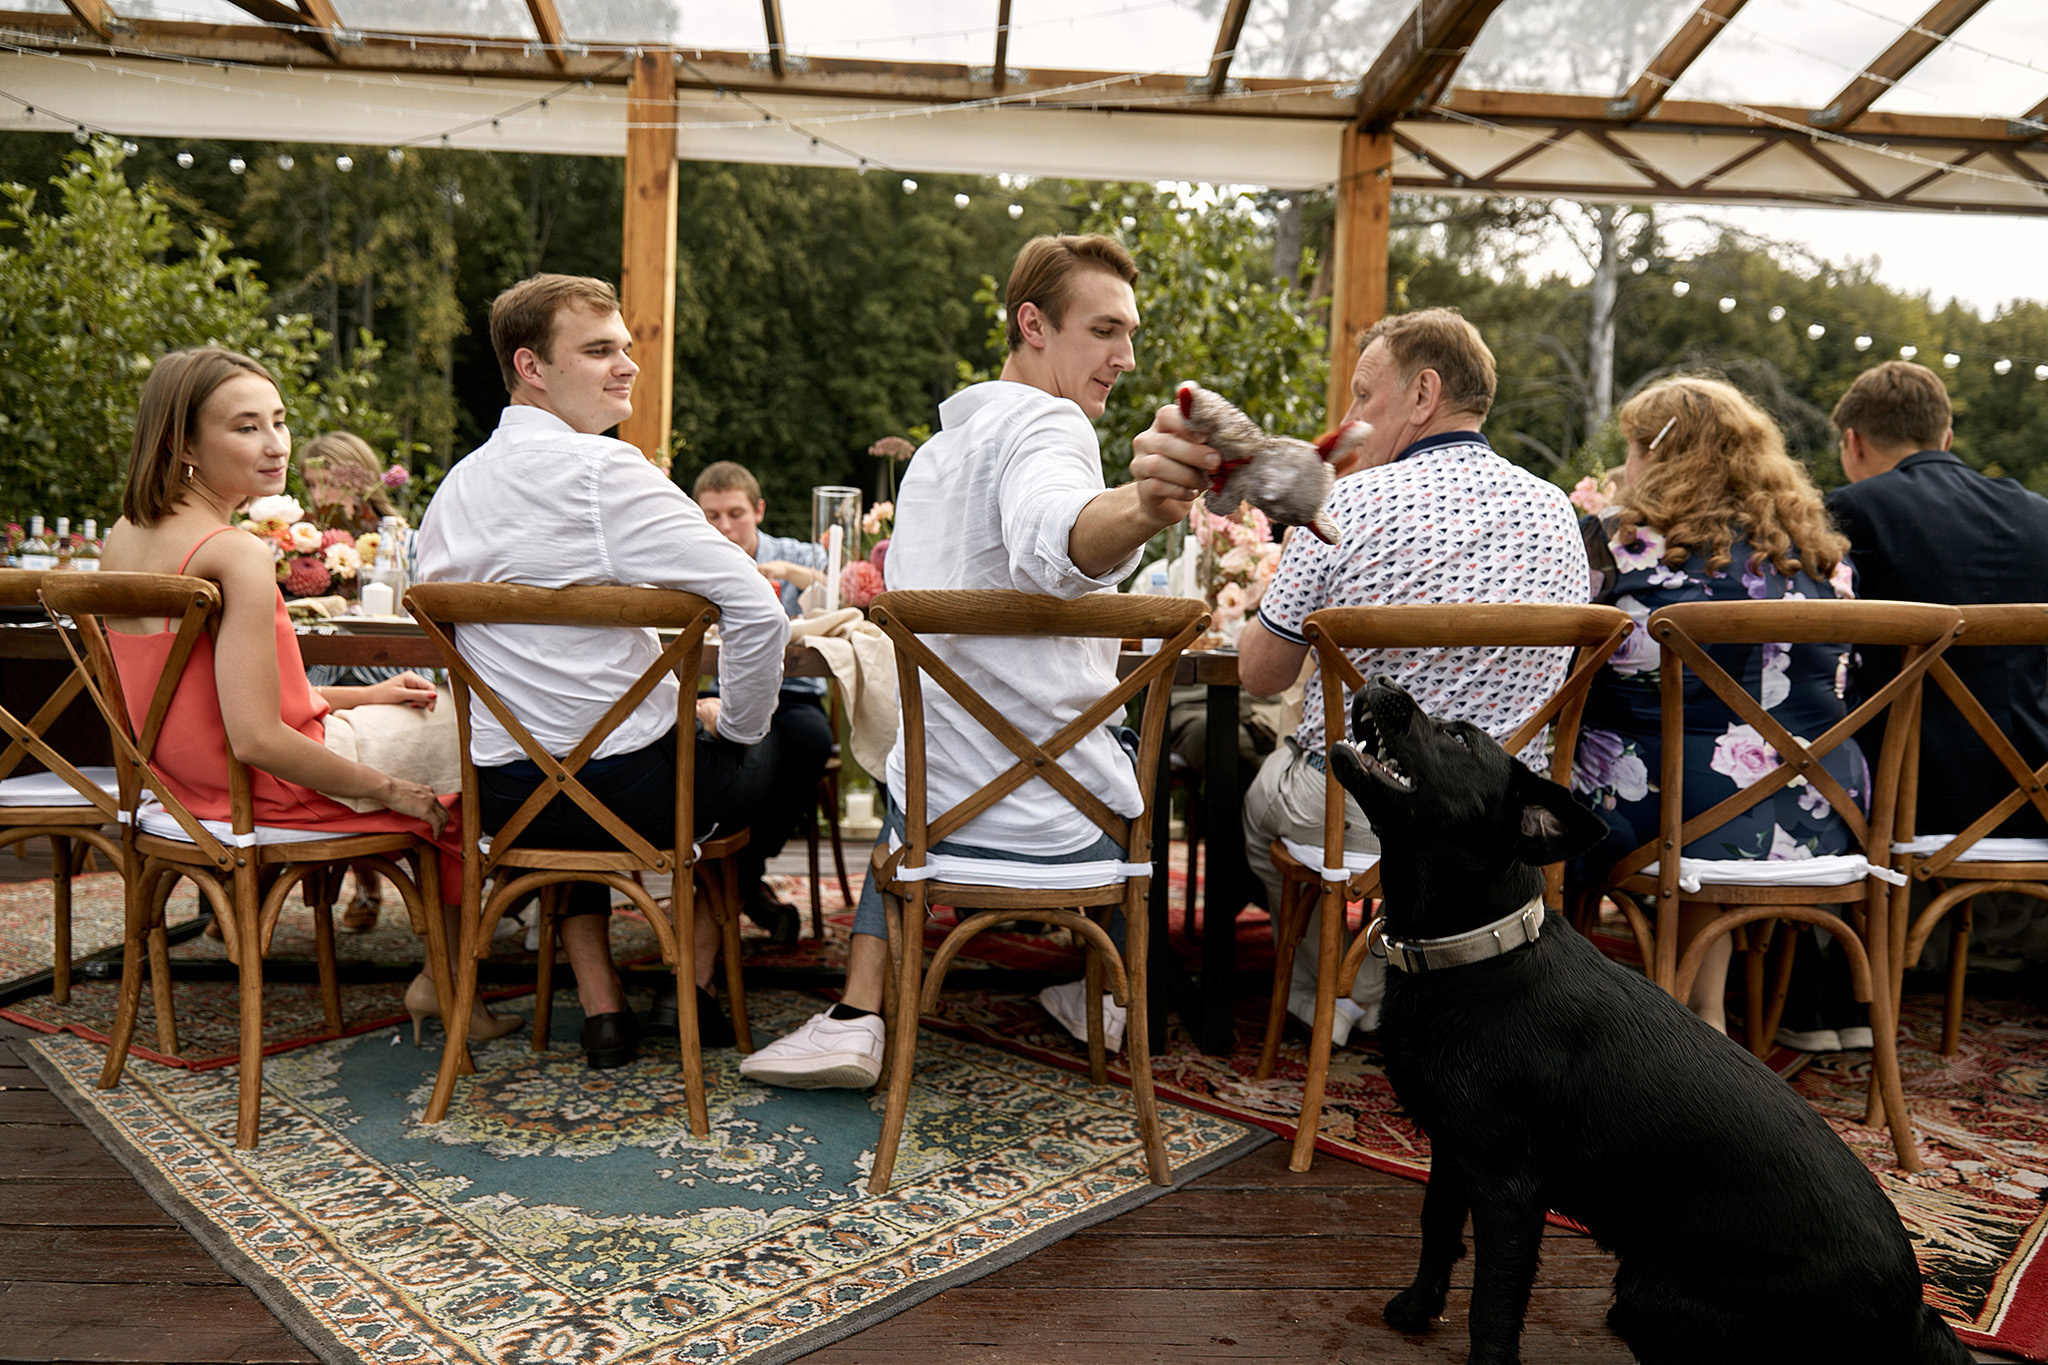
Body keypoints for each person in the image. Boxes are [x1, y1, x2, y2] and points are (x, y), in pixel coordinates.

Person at [739, 233, 1215, 1089]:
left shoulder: (933, 458)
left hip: (941, 810)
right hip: (1065, 822)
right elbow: (1056, 532)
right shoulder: (1050, 423)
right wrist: (1144, 506)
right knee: (1130, 745)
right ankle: (1112, 997)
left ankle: (858, 1012)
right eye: (1106, 330)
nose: (1127, 356)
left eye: (1130, 334)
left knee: (910, 764)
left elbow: (1042, 541)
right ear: (1033, 323)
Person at [413, 273, 790, 1070]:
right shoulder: (604, 474)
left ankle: (601, 1004)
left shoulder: (452, 492)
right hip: (638, 798)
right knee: (778, 737)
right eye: (598, 350)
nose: (627, 366)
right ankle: (693, 980)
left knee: (566, 757)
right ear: (532, 366)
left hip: (507, 803)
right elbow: (758, 611)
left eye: (625, 348)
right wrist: (735, 723)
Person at [97, 347, 518, 1047]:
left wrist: (368, 695)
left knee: (432, 718)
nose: (276, 445)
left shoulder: (125, 534)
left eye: (280, 421)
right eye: (246, 427)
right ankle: (455, 981)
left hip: (181, 787)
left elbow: (207, 703)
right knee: (483, 732)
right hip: (270, 785)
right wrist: (393, 790)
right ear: (182, 443)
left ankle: (447, 978)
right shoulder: (234, 552)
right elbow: (259, 737)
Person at [1224, 308, 1589, 1045]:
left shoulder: (1342, 504)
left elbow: (1259, 675)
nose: (1350, 417)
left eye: (1363, 395)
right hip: (1498, 819)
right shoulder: (1559, 514)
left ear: (1423, 394)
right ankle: (1402, 985)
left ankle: (1337, 986)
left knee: (1261, 796)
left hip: (1361, 811)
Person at [1569, 375, 1865, 1044]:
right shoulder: (1820, 555)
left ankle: (1562, 1014)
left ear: (1658, 452)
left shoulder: (1616, 546)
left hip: (1657, 813)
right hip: (1824, 815)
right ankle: (1710, 1010)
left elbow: (1557, 676)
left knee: (1554, 781)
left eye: (1633, 446)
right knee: (1714, 768)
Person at [1825, 360, 2048, 977]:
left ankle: (1825, 972)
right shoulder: (2039, 515)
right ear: (1946, 438)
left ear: (1855, 442)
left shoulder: (1853, 510)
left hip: (1907, 793)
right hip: (2033, 788)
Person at [692, 459, 836, 944]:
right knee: (702, 744)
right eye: (711, 516)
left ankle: (741, 871)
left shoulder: (793, 554)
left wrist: (787, 572)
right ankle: (734, 879)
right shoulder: (689, 557)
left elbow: (849, 585)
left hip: (791, 693)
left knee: (811, 740)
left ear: (758, 510)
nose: (725, 526)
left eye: (735, 513)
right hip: (715, 690)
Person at [300, 428, 407, 934]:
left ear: (358, 479)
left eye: (329, 484)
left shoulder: (395, 533)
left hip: (380, 659)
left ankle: (368, 875)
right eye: (311, 485)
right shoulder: (298, 538)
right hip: (322, 666)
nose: (320, 497)